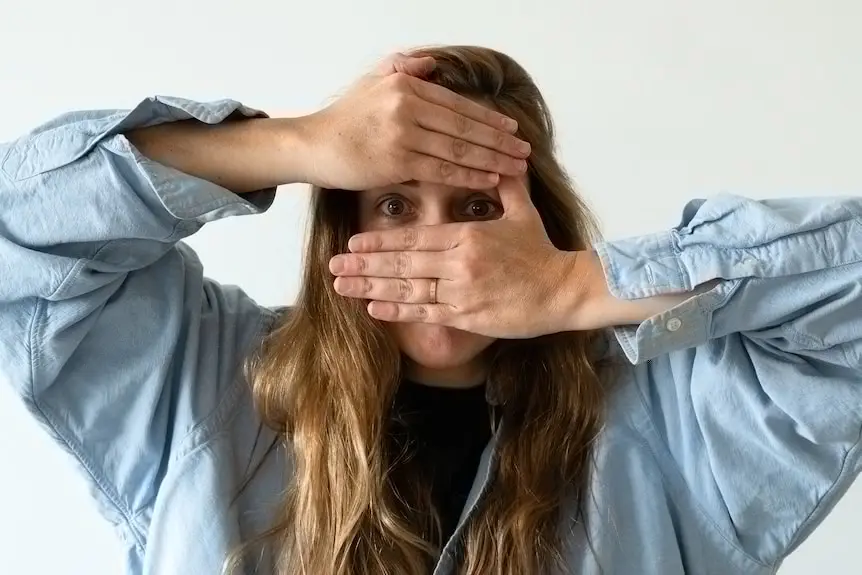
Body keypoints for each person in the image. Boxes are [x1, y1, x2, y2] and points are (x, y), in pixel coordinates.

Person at [0, 44, 860, 575]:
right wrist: (294, 143)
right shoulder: (205, 384)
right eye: (396, 206)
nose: (447, 251)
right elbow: (20, 239)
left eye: (480, 209)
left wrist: (576, 289)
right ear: (344, 223)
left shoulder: (679, 423)